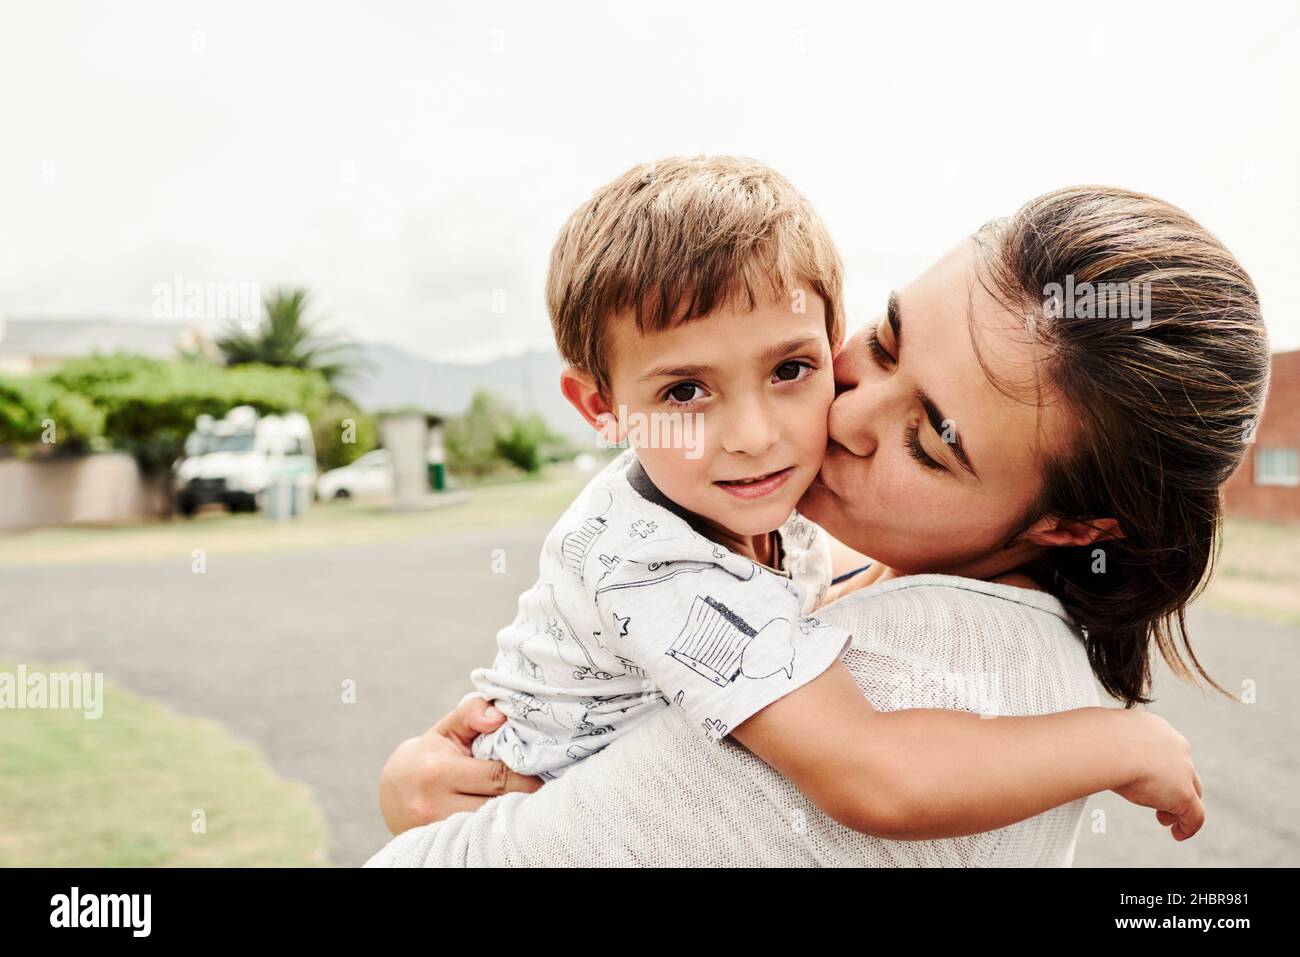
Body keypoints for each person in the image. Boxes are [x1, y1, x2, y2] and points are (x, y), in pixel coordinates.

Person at [368, 178, 1268, 867]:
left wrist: (1122, 741)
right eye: (881, 343)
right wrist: (424, 784)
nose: (839, 416)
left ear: (1076, 526)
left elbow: (877, 774)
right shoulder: (698, 548)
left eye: (929, 438)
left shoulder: (949, 667)